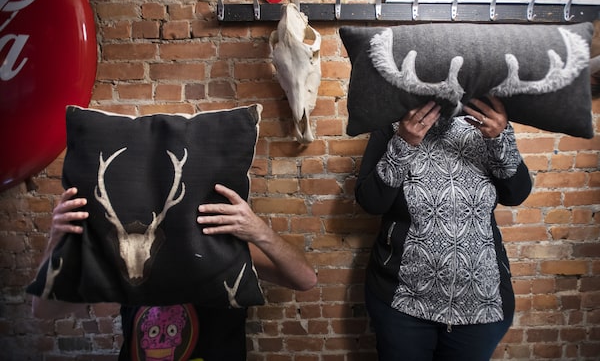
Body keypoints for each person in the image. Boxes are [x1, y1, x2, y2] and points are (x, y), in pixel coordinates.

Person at [32, 183, 317, 360]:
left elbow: (305, 279)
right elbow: (43, 309)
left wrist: (259, 231)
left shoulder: (226, 244)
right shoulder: (130, 247)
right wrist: (56, 239)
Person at [355, 97, 532, 361]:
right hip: (402, 303)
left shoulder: (487, 122)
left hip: (482, 304)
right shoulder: (394, 124)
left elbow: (516, 193)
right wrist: (403, 142)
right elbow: (371, 201)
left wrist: (499, 139)